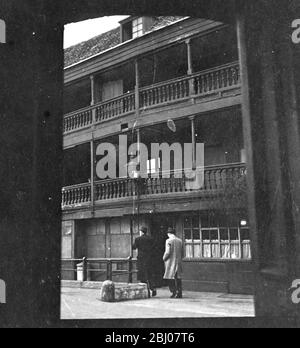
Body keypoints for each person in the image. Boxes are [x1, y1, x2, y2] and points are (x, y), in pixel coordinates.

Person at [133, 226, 157, 298]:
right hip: (150, 259)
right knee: (150, 274)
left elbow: (134, 247)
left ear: (141, 232)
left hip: (141, 259)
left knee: (142, 274)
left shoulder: (138, 239)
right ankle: (153, 289)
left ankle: (145, 291)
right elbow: (155, 247)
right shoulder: (151, 239)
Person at [163, 227, 183, 298]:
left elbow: (167, 252)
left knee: (170, 277)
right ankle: (179, 292)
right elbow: (182, 252)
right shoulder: (180, 241)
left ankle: (174, 292)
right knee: (178, 277)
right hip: (178, 261)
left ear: (168, 234)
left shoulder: (168, 241)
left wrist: (164, 258)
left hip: (170, 262)